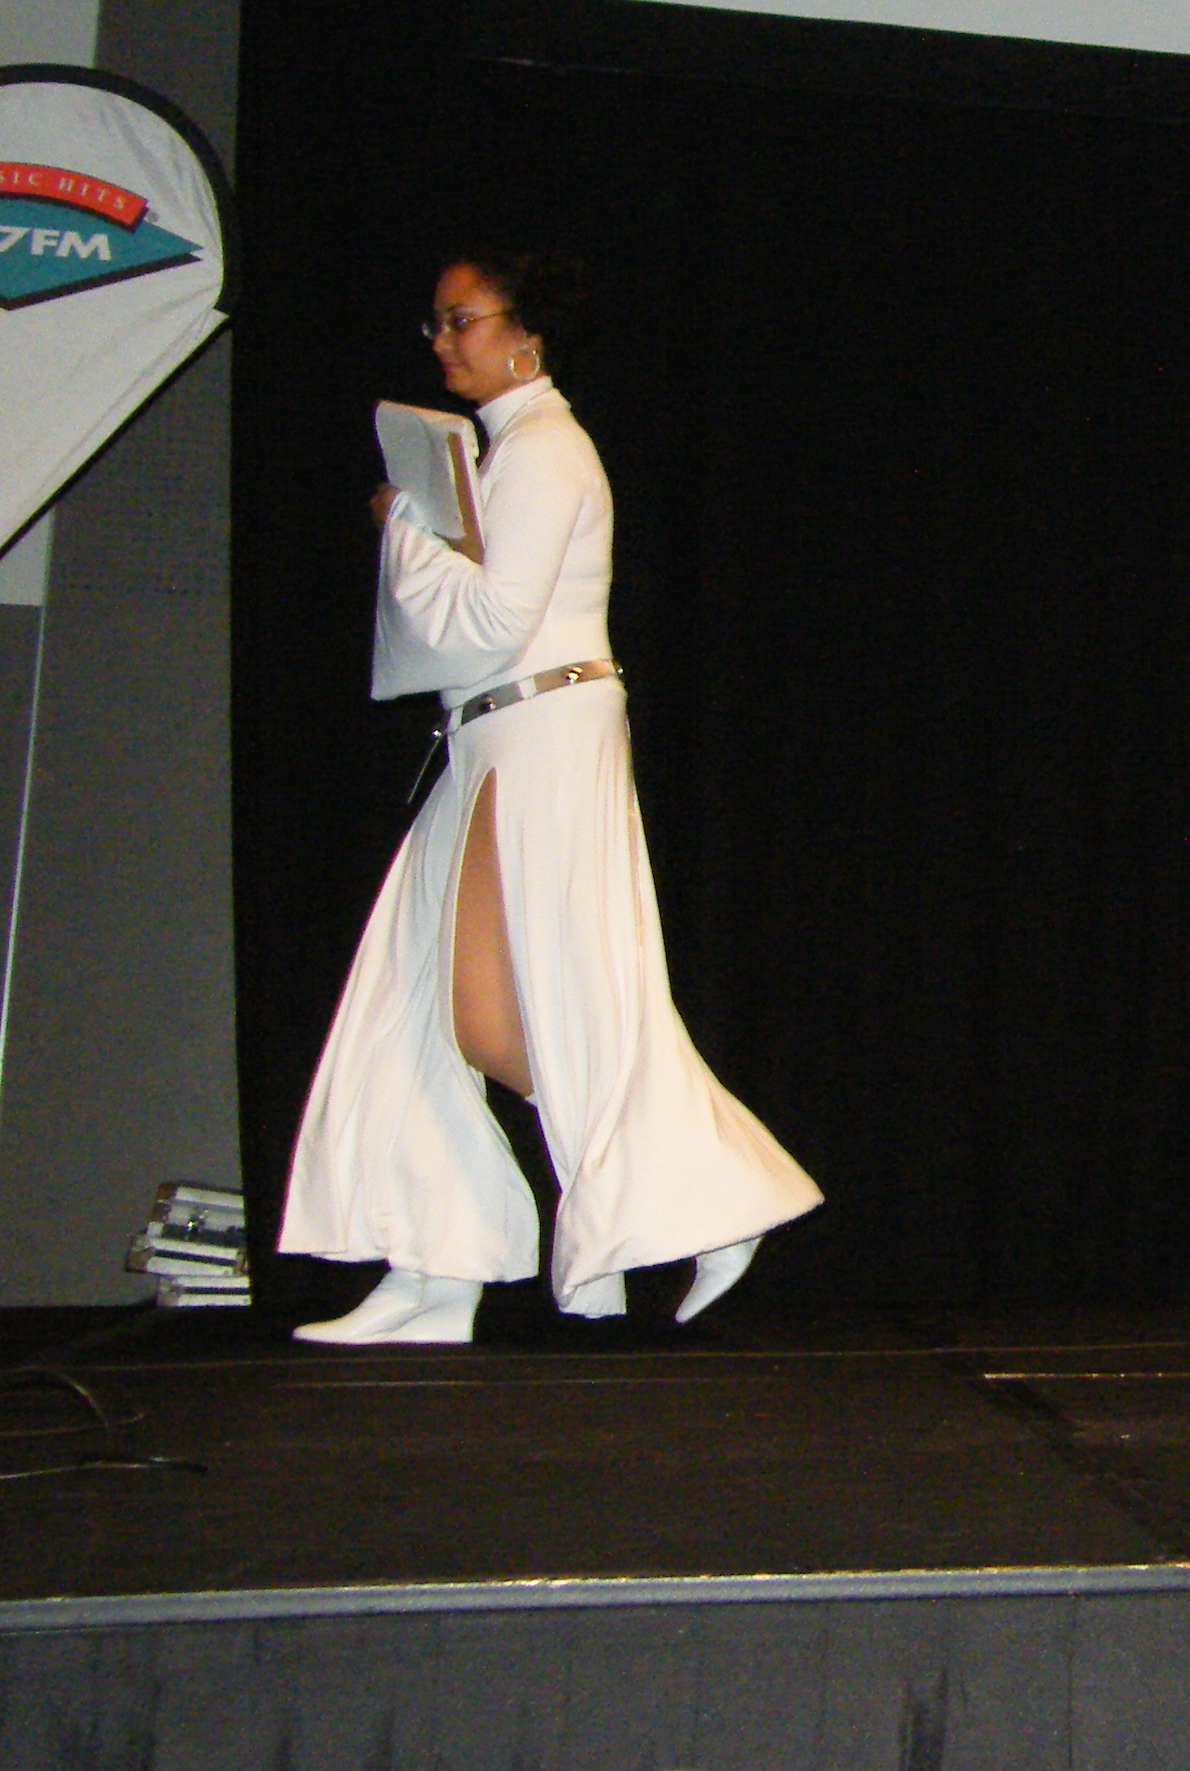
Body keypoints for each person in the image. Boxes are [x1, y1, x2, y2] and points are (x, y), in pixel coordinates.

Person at [280, 252, 819, 1344]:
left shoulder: (544, 449)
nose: (443, 341)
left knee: (519, 1004)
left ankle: (701, 1196)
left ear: (525, 333)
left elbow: (491, 619)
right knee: (448, 1009)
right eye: (436, 323)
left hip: (540, 728)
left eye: (462, 320)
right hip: (499, 732)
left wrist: (405, 528)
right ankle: (442, 1266)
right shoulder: (507, 450)